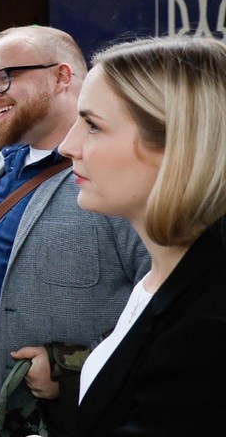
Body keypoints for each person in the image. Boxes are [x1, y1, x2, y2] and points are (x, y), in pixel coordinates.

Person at [0, 26, 147, 431]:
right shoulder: (1, 163)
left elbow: (164, 309)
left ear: (61, 77)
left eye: (5, 76)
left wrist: (71, 368)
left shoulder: (118, 177)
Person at [60, 37, 226, 435]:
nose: (68, 146)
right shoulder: (169, 274)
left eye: (93, 126)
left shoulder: (208, 331)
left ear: (179, 146)